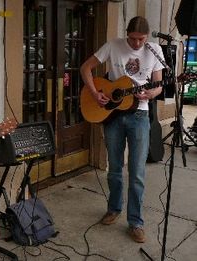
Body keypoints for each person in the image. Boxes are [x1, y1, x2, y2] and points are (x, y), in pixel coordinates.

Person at [80, 16, 165, 243]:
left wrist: (150, 93)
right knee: (115, 168)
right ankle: (113, 209)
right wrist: (95, 92)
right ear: (127, 34)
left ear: (147, 37)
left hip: (140, 115)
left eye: (141, 39)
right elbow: (85, 68)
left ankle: (136, 222)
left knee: (137, 172)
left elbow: (158, 83)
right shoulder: (113, 45)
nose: (137, 44)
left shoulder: (155, 50)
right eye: (133, 39)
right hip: (114, 115)